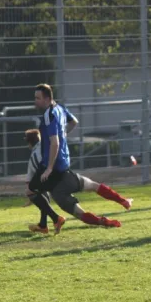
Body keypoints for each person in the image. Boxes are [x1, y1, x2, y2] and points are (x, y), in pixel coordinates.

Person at [29, 83, 126, 229]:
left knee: (32, 190)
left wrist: (48, 168)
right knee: (93, 185)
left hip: (54, 169)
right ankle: (123, 201)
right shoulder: (60, 109)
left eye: (38, 98)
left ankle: (55, 219)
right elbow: (74, 121)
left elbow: (54, 143)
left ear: (47, 99)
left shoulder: (48, 115)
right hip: (65, 168)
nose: (35, 101)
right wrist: (64, 135)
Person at [24, 127, 132, 234]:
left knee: (80, 214)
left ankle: (102, 221)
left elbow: (30, 185)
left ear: (29, 143)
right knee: (94, 186)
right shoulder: (49, 145)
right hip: (67, 177)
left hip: (57, 191)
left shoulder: (32, 159)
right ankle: (123, 200)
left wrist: (32, 198)